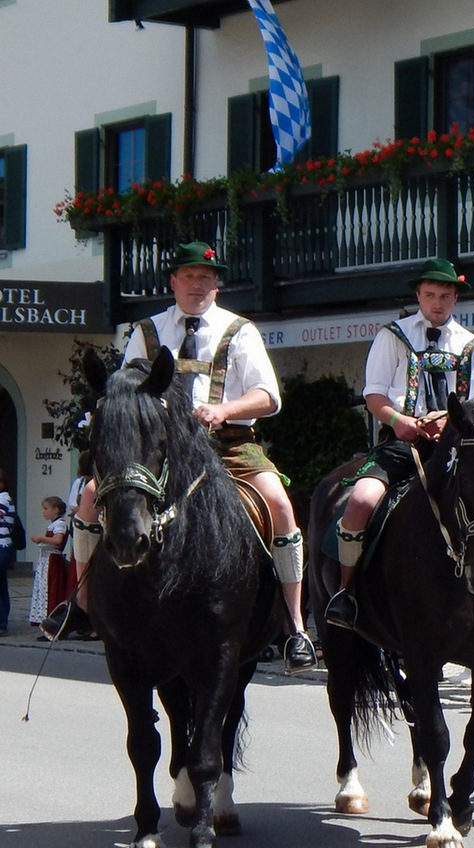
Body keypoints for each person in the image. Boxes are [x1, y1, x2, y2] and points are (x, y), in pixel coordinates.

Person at [54, 243, 316, 669]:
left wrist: (225, 409)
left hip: (228, 443)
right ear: (173, 282)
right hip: (157, 449)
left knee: (280, 504)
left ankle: (295, 624)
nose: (198, 284)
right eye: (189, 277)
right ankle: (81, 603)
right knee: (88, 496)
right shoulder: (146, 330)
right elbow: (125, 391)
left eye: (206, 277)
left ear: (217, 284)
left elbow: (268, 397)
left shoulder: (240, 330)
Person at [325, 257, 474, 631]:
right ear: (419, 295)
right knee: (360, 501)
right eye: (430, 295)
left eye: (445, 296)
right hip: (402, 444)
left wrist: (447, 423)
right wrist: (399, 420)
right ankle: (347, 590)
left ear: (455, 298)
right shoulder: (393, 336)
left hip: (458, 449)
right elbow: (373, 395)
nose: (437, 303)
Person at [29, 497, 68, 632]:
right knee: (45, 590)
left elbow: (58, 540)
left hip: (53, 561)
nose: (43, 512)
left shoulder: (60, 524)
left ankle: (53, 621)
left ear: (56, 510)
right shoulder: (53, 524)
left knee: (52, 590)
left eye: (46, 509)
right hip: (47, 560)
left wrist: (41, 538)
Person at [0, 468, 16, 636]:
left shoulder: (4, 498)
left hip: (2, 546)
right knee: (2, 585)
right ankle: (2, 623)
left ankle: (1, 623)